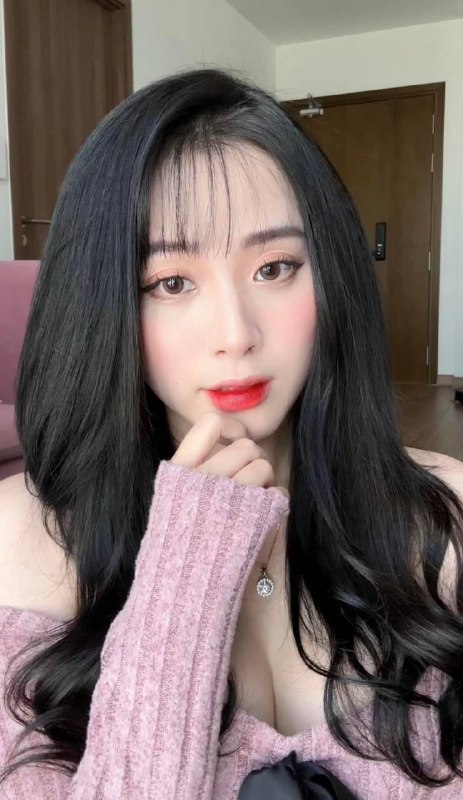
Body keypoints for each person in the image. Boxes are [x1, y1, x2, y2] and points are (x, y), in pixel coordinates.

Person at [0, 66, 462, 800]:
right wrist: (185, 569)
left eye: (275, 268)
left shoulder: (444, 512)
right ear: (104, 303)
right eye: (171, 282)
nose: (236, 333)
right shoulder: (20, 545)